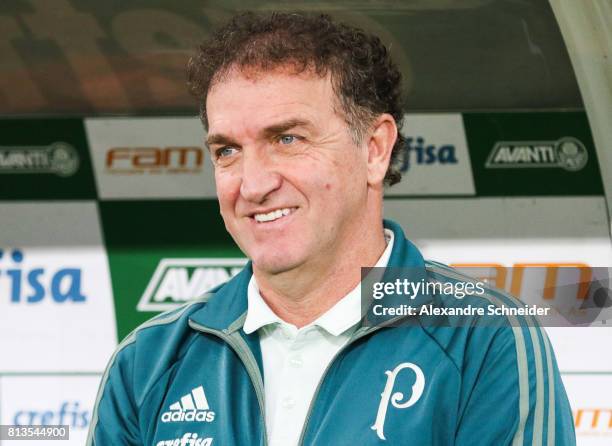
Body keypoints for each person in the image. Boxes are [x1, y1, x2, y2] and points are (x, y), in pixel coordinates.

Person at [87, 11, 575, 446]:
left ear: (375, 149)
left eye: (288, 138)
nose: (253, 185)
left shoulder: (482, 338)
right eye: (227, 151)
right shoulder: (147, 360)